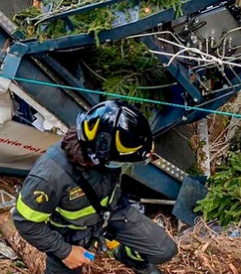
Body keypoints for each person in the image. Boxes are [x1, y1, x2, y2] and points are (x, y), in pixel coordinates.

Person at [12, 100, 178, 274]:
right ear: (100, 156)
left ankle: (127, 256)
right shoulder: (49, 177)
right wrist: (65, 252)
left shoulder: (103, 147)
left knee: (164, 250)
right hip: (70, 234)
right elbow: (26, 223)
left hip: (111, 212)